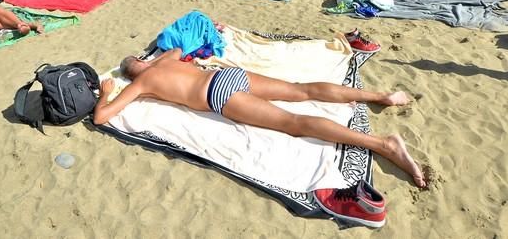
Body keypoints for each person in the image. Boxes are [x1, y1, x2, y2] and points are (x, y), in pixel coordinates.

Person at [93, 49, 426, 188]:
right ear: (143, 59)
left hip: (219, 97)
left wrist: (108, 91)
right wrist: (154, 61)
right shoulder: (165, 62)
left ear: (130, 73)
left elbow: (102, 117)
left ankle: (382, 145)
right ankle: (381, 96)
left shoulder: (141, 84)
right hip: (228, 76)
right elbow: (178, 51)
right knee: (302, 90)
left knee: (293, 124)